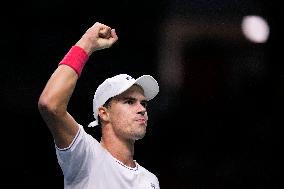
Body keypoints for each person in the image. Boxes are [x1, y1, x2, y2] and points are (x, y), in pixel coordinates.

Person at [38, 21, 160, 189]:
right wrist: (87, 42)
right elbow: (50, 104)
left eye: (143, 103)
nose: (142, 110)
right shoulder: (86, 156)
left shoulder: (150, 180)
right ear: (104, 113)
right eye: (129, 101)